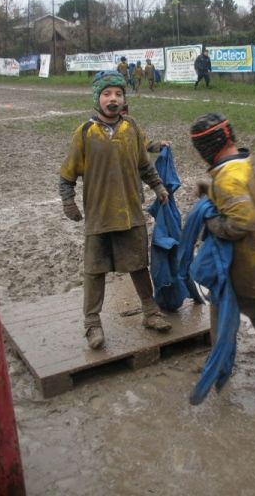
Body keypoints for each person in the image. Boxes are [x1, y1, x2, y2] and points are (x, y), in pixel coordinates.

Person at [59, 71, 172, 349]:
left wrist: (158, 187)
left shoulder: (131, 127)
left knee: (138, 265)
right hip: (98, 216)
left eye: (118, 94)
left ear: (124, 99)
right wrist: (68, 200)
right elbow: (67, 173)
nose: (113, 99)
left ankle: (151, 312)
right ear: (97, 98)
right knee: (94, 271)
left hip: (130, 212)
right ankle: (92, 324)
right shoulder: (85, 132)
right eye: (107, 94)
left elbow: (144, 165)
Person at [190, 112, 255, 386]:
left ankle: (218, 360)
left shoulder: (228, 178)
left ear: (206, 148)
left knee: (219, 304)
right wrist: (211, 191)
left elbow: (240, 220)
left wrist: (211, 222)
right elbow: (241, 197)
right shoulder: (247, 162)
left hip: (249, 263)